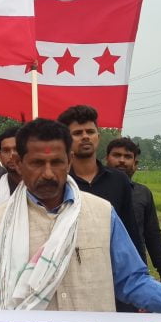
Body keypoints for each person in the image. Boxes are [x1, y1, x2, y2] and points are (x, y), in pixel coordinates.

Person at [0, 118, 161, 319]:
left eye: (57, 162)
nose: (48, 173)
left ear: (69, 161)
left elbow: (133, 283)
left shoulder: (102, 213)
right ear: (19, 163)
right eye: (37, 163)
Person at [57, 106, 140, 248]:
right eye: (77, 133)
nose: (85, 137)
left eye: (90, 132)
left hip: (111, 259)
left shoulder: (119, 180)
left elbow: (131, 232)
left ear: (98, 137)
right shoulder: (59, 183)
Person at [105, 137, 161, 282]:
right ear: (106, 159)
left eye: (127, 156)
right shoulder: (93, 191)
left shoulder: (143, 193)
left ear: (135, 164)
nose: (122, 160)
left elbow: (152, 234)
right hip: (101, 269)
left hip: (135, 270)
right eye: (116, 155)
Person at [0, 126, 21, 207]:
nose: (12, 155)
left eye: (16, 149)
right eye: (6, 151)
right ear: (0, 155)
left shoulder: (43, 187)